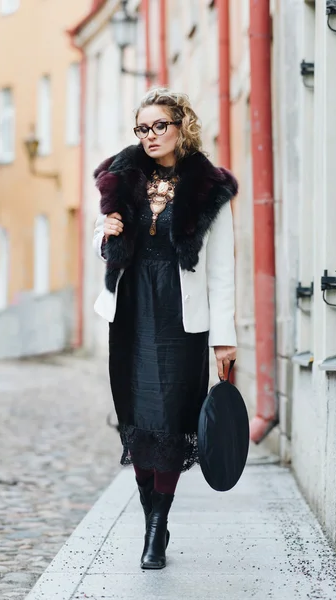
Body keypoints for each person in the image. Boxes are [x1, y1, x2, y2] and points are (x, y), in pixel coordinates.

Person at [92, 88, 238, 570]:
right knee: (137, 420)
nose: (149, 136)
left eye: (158, 126)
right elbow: (105, 234)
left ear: (182, 126)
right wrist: (106, 233)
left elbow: (221, 272)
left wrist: (224, 338)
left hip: (182, 319)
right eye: (141, 128)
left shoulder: (209, 188)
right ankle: (150, 512)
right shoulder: (122, 180)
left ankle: (157, 529)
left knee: (171, 422)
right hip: (132, 312)